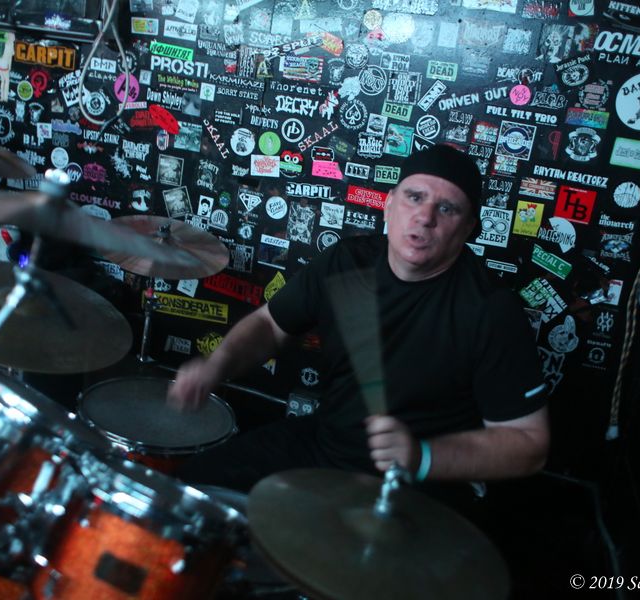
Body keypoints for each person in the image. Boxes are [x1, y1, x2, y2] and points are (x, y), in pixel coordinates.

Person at [167, 144, 549, 507]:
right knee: (189, 491)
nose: (425, 217)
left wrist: (422, 456)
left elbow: (529, 444)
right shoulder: (346, 263)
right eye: (414, 197)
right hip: (325, 445)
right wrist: (218, 365)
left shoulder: (489, 310)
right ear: (389, 204)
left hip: (418, 484)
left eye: (446, 208)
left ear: (468, 229)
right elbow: (270, 325)